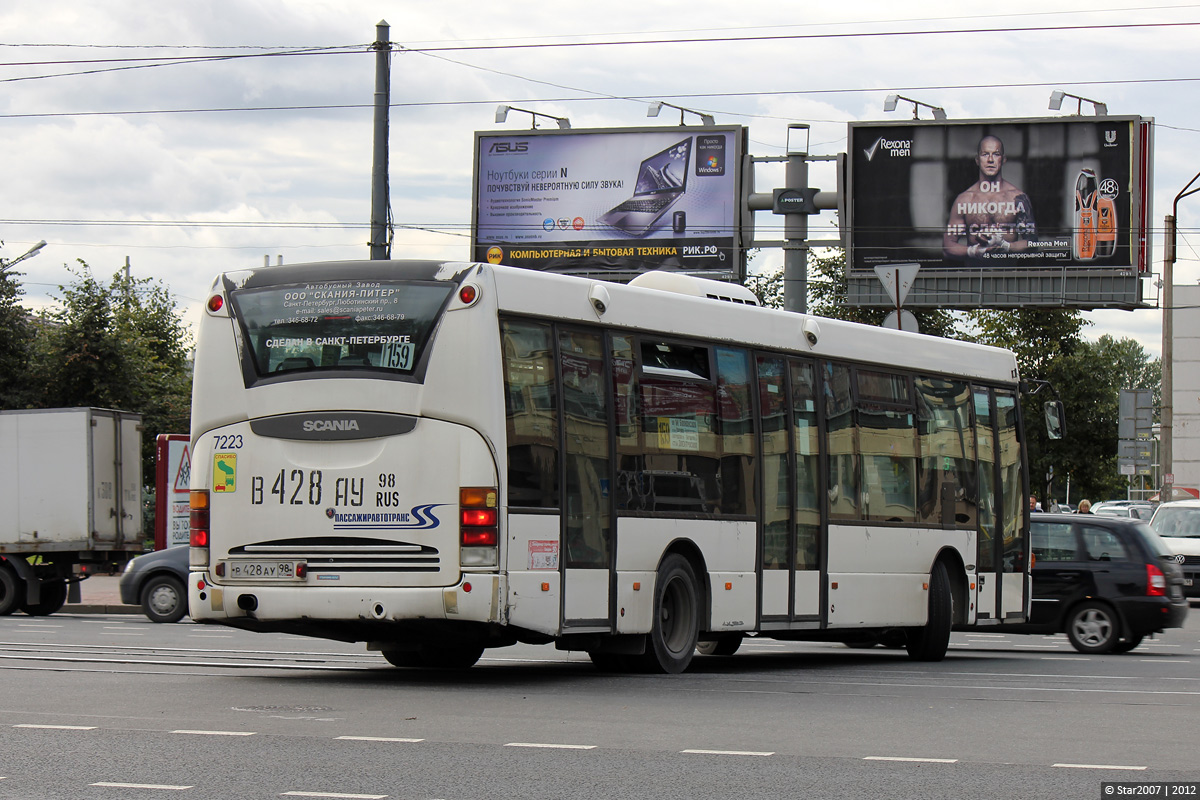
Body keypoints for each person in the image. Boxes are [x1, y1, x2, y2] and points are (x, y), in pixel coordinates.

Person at [944, 135, 1036, 262]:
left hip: (1009, 276)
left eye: (996, 154)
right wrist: (973, 251)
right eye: (985, 154)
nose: (990, 160)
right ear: (977, 160)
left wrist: (1006, 246)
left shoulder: (1017, 198)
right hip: (974, 276)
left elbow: (1032, 242)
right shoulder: (965, 200)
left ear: (1003, 160)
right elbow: (948, 245)